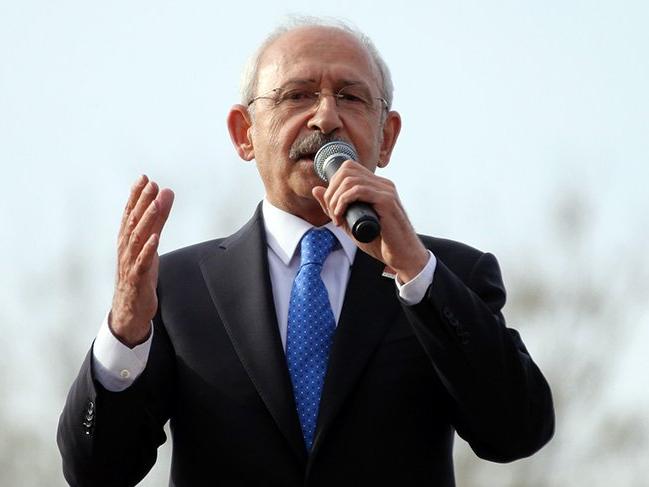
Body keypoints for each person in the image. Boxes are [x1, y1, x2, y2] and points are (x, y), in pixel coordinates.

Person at [57, 17, 554, 487]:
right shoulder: (178, 288)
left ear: (386, 138)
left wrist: (416, 270)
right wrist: (125, 331)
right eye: (297, 95)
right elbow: (97, 472)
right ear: (245, 134)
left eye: (351, 97)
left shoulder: (449, 276)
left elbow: (517, 431)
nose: (326, 117)